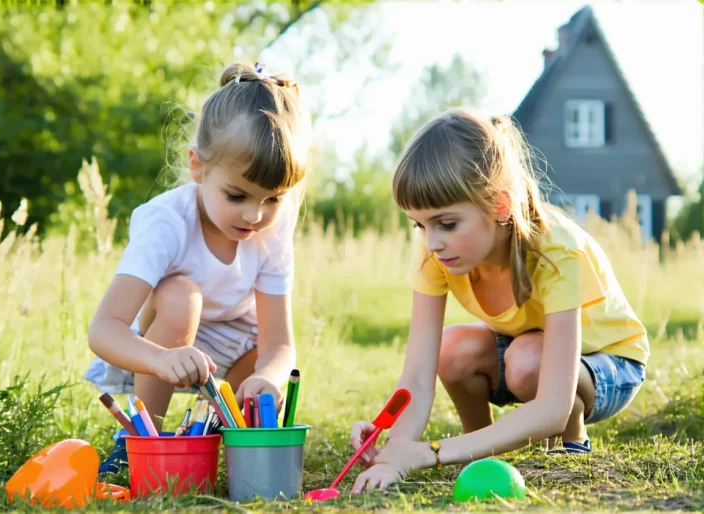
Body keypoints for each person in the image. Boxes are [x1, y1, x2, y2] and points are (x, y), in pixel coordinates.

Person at [348, 107, 648, 493]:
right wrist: (396, 448)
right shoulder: (433, 249)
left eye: (446, 223)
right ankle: (481, 452)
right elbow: (417, 378)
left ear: (500, 206)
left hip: (608, 366)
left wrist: (432, 452)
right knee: (453, 348)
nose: (431, 242)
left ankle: (572, 443)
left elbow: (551, 405)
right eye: (419, 225)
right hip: (531, 350)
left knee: (526, 361)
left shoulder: (556, 251)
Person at [85, 62, 311, 473]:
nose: (255, 215)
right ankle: (140, 441)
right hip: (165, 336)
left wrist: (270, 378)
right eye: (237, 195)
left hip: (237, 341)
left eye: (273, 199)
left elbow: (278, 344)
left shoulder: (274, 231)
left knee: (259, 385)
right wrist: (159, 360)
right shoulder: (166, 222)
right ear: (198, 167)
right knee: (180, 297)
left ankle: (233, 444)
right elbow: (104, 329)